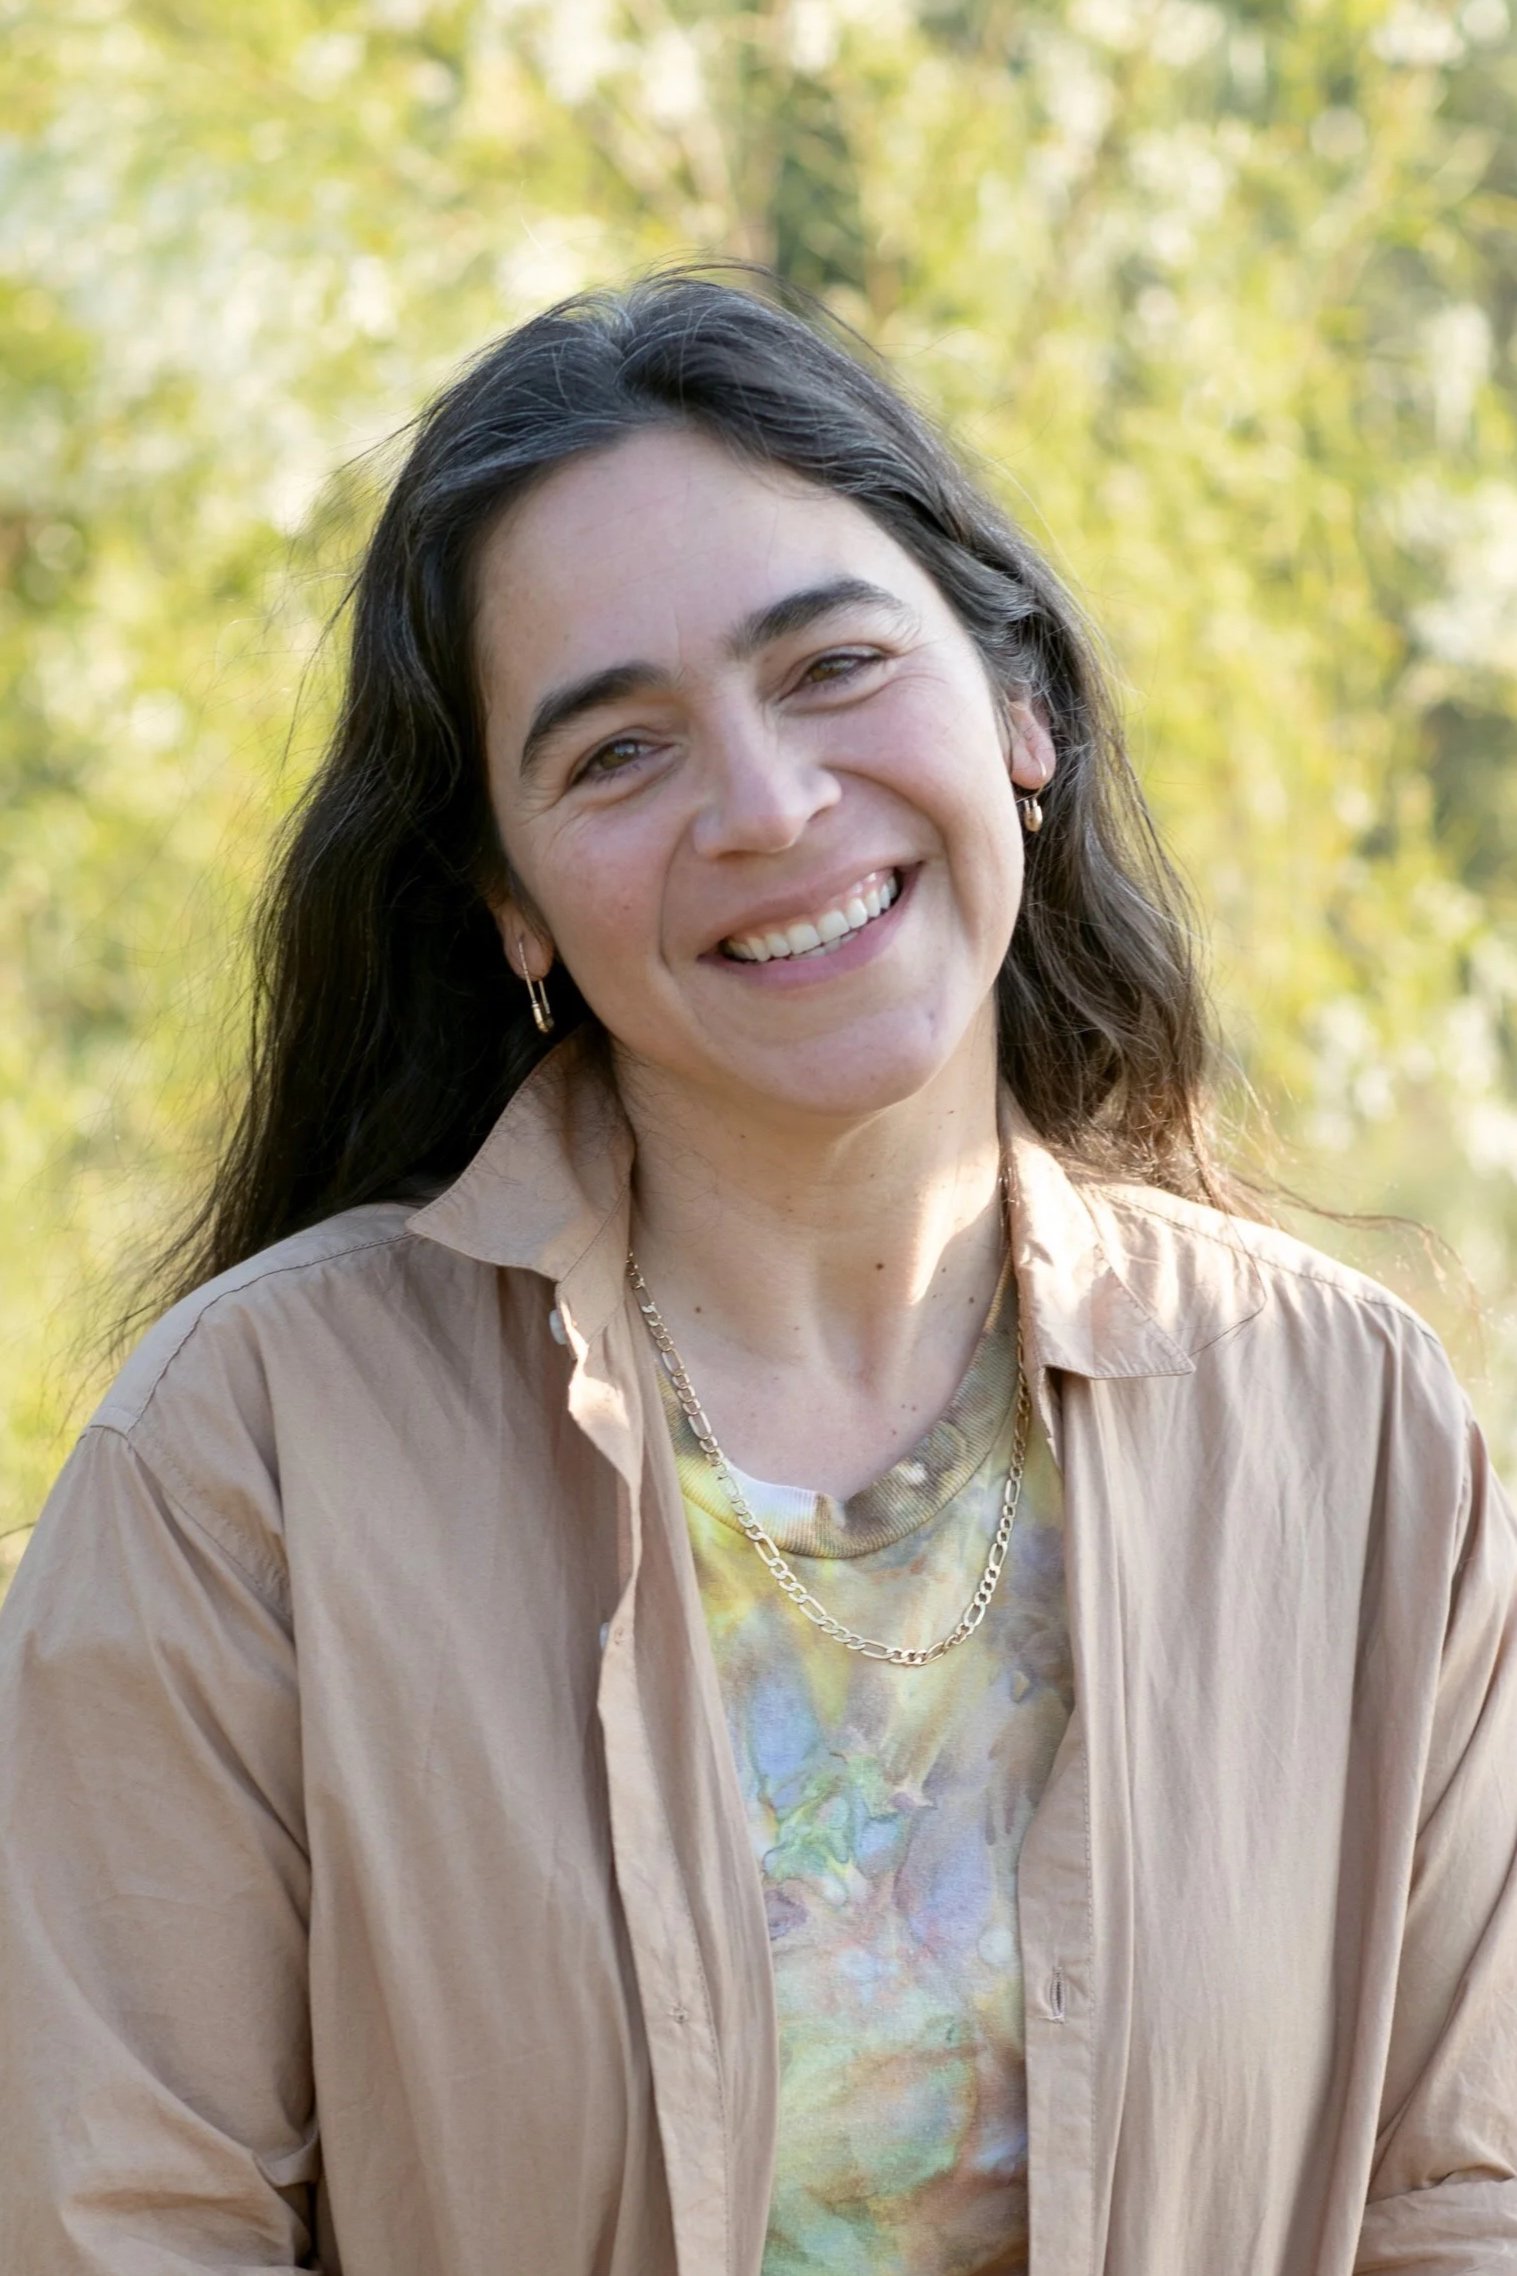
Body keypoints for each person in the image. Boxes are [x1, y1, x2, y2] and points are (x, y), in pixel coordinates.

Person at [1, 266, 1513, 2276]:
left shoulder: (1348, 1431)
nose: (770, 806)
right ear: (512, 902)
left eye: (833, 665)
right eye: (617, 753)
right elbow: (119, 2224)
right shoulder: (250, 1464)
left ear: (1020, 710)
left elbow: (1463, 2202)